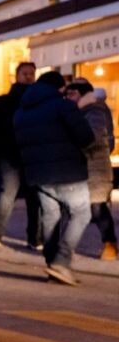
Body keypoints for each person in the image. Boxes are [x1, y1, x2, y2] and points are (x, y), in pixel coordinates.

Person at [11, 71, 93, 285]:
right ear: (59, 88)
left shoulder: (21, 111)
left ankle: (52, 263)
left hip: (38, 175)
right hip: (67, 172)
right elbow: (86, 137)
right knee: (82, 213)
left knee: (51, 217)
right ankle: (61, 261)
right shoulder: (63, 105)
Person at [0, 62, 40, 248]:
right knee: (8, 194)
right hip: (10, 153)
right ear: (17, 75)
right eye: (25, 73)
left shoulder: (38, 100)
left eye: (31, 74)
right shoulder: (5, 101)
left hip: (32, 153)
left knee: (34, 197)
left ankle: (35, 238)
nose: (28, 77)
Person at [66, 79, 117, 261]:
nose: (68, 97)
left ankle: (110, 244)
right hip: (82, 168)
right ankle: (65, 248)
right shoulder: (79, 111)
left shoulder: (95, 110)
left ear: (82, 94)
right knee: (76, 209)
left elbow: (93, 137)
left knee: (97, 209)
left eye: (72, 93)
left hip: (95, 169)